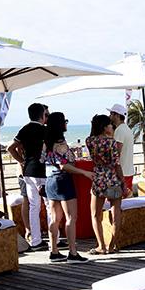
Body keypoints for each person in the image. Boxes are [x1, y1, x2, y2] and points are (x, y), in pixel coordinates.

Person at [41, 112, 91, 264]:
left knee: (55, 218)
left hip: (50, 181)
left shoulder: (46, 142)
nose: (66, 123)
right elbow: (64, 165)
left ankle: (54, 251)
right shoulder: (60, 143)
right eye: (65, 121)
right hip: (63, 180)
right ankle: (73, 253)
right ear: (60, 124)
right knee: (71, 218)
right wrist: (84, 172)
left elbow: (42, 160)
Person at [8, 103, 50, 251]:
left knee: (34, 206)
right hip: (43, 170)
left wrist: (22, 161)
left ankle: (36, 240)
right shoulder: (45, 130)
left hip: (28, 171)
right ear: (42, 115)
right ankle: (54, 239)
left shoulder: (24, 129)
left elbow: (10, 148)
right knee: (49, 205)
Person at [86, 114, 126, 255]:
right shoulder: (112, 143)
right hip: (113, 179)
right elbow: (116, 164)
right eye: (110, 125)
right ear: (104, 127)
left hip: (99, 180)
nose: (112, 127)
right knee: (116, 214)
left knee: (96, 215)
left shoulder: (89, 141)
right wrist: (123, 181)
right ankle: (112, 245)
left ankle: (101, 246)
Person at [108, 104, 135, 196]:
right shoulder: (126, 129)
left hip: (122, 172)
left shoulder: (119, 130)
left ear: (117, 115)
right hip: (128, 170)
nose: (109, 116)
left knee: (119, 199)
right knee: (126, 199)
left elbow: (116, 153)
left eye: (111, 114)